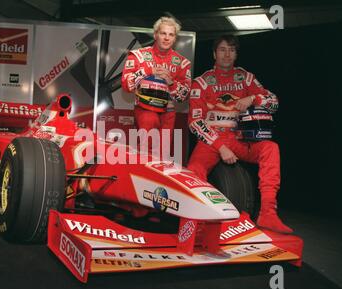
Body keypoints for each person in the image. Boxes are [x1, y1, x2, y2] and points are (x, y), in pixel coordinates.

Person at [187, 35, 293, 234]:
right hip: (212, 140)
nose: (227, 54)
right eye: (222, 49)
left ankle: (267, 214)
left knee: (271, 148)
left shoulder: (245, 77)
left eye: (232, 50)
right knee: (193, 170)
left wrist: (254, 98)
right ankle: (196, 222)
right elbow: (194, 122)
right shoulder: (201, 82)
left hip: (240, 138)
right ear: (214, 53)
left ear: (236, 54)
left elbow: (274, 102)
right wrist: (221, 147)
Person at [121, 16, 191, 154]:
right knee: (146, 152)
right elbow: (126, 85)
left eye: (171, 34)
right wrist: (148, 71)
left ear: (175, 38)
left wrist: (171, 82)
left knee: (162, 156)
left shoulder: (182, 63)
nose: (166, 38)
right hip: (145, 110)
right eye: (163, 33)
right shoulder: (138, 56)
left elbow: (183, 96)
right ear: (155, 34)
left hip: (168, 114)